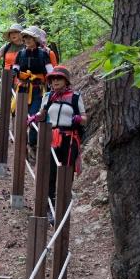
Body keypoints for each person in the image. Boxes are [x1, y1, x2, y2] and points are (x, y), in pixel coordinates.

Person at [31, 65, 87, 207]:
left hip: (70, 139)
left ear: (66, 81)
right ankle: (49, 205)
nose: (55, 81)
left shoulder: (75, 97)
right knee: (50, 172)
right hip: (51, 138)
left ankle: (63, 204)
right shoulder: (48, 96)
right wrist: (34, 117)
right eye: (53, 79)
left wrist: (79, 119)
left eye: (59, 78)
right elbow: (42, 114)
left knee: (67, 171)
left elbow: (84, 118)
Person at [12, 26, 54, 160]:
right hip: (23, 89)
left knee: (34, 117)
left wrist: (51, 86)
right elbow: (15, 69)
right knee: (20, 116)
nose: (27, 40)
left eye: (30, 37)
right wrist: (17, 73)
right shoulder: (20, 54)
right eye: (25, 37)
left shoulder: (43, 54)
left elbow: (50, 72)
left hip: (37, 90)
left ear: (35, 39)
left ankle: (33, 145)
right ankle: (21, 146)